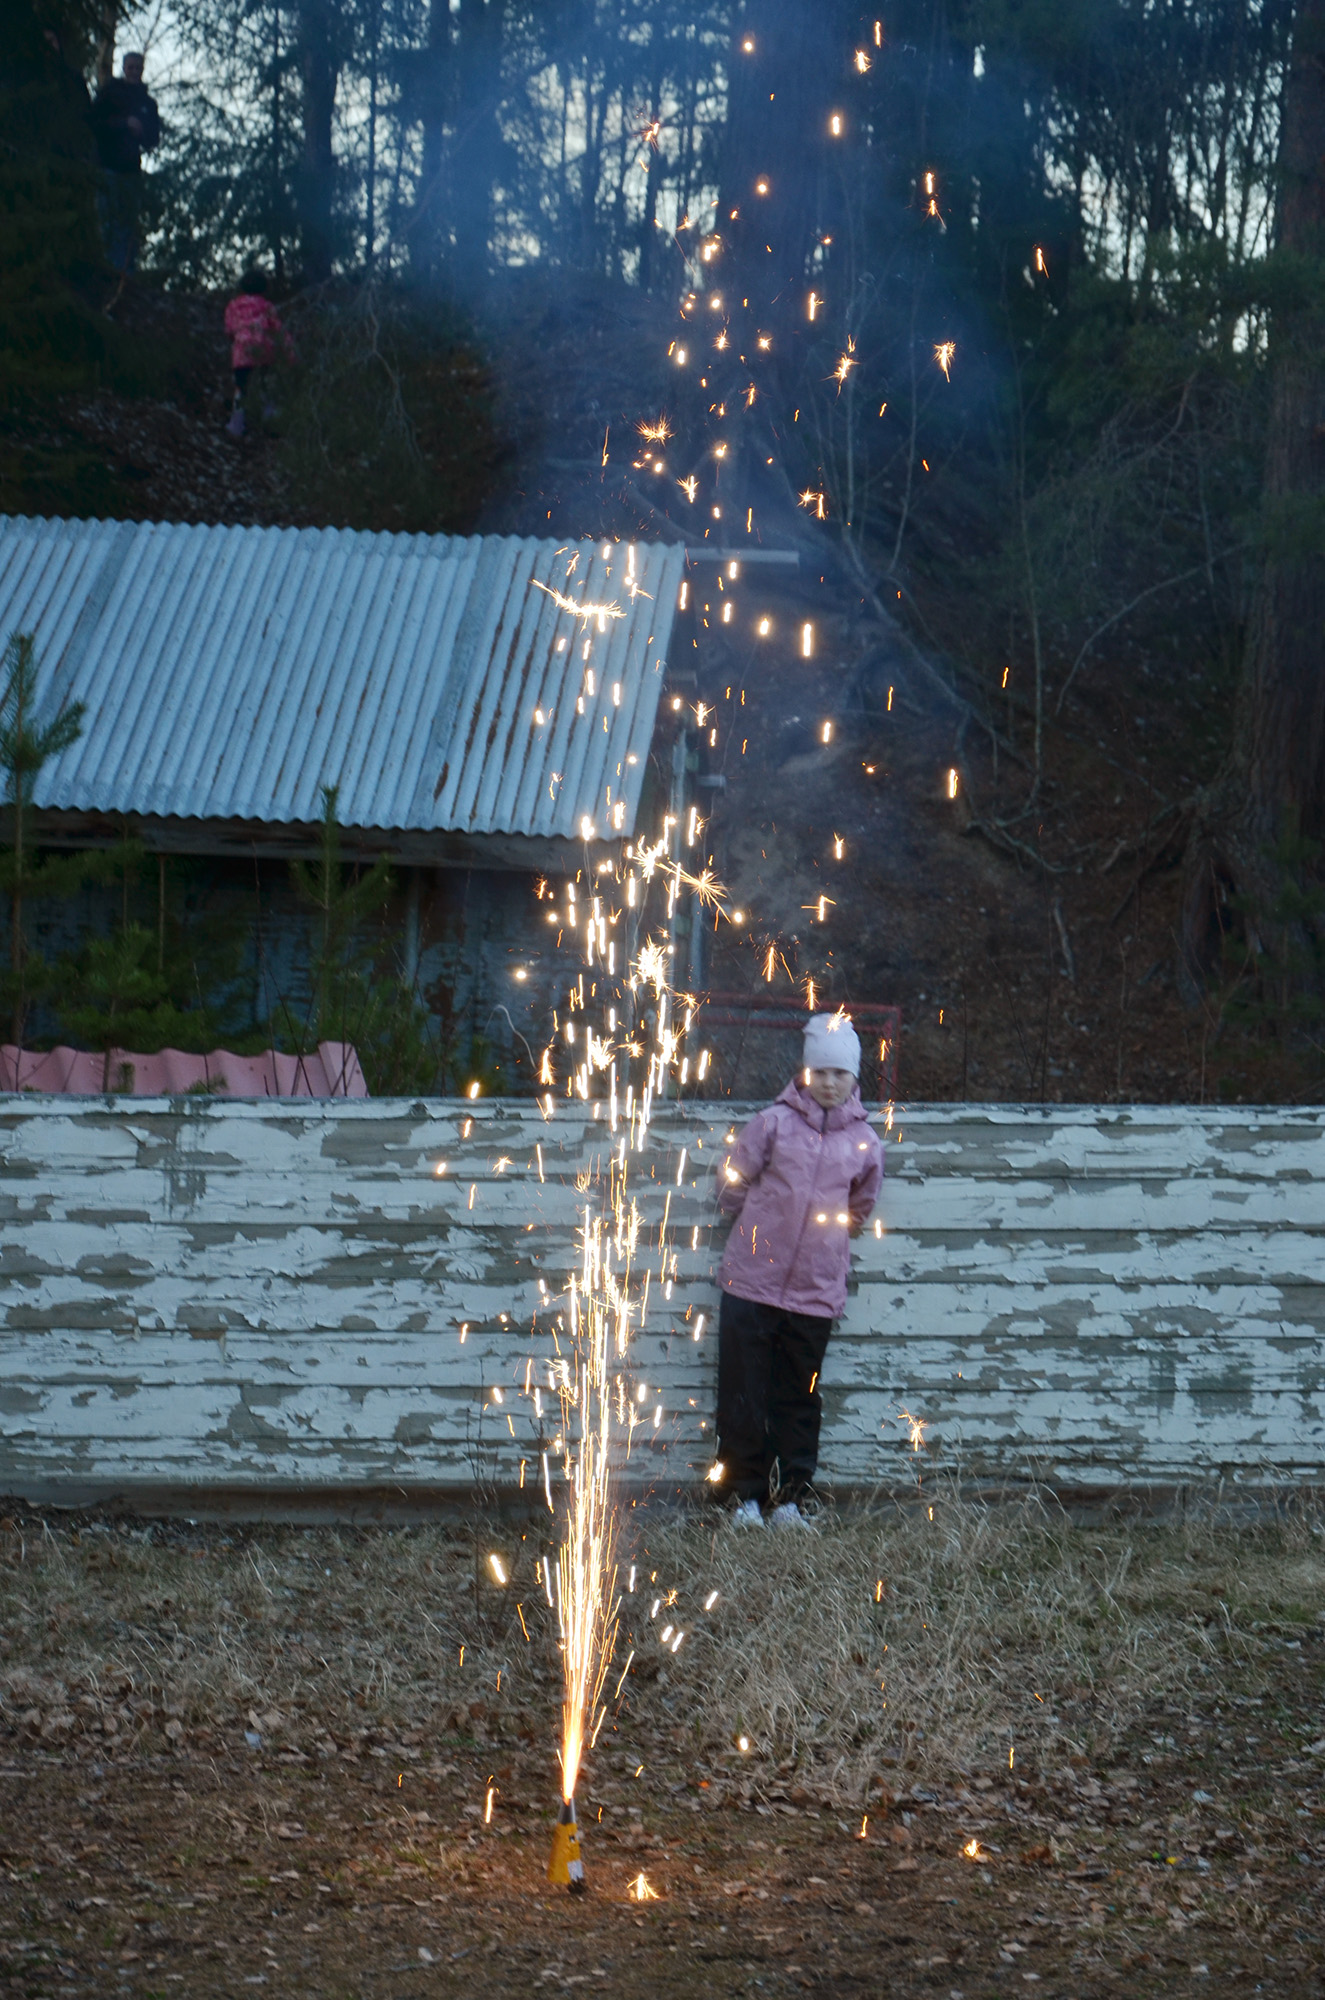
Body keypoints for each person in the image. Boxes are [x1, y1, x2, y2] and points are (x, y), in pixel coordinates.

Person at [712, 1012, 884, 1530]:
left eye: (841, 1074)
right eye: (821, 1072)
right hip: (750, 1283)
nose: (829, 1083)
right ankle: (740, 1498)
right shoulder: (773, 1123)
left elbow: (861, 1206)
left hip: (814, 1292)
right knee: (743, 1392)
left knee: (798, 1397)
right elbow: (733, 1180)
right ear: (803, 1073)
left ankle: (787, 1499)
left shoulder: (864, 1143)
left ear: (855, 1079)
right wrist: (753, 1219)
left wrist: (827, 1242)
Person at [88, 51, 160, 274]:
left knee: (127, 227)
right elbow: (94, 123)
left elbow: (153, 139)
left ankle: (125, 276)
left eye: (138, 68)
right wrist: (123, 124)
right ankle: (106, 272)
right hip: (107, 166)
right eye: (131, 67)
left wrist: (141, 132)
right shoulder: (110, 93)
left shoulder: (148, 103)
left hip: (131, 171)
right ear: (124, 68)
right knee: (105, 222)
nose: (135, 72)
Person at [223, 270, 295, 437]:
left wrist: (237, 339)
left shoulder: (233, 306)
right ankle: (270, 421)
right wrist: (290, 353)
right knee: (265, 385)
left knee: (241, 388)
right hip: (264, 350)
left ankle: (236, 426)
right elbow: (278, 330)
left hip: (241, 353)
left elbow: (229, 329)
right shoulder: (266, 306)